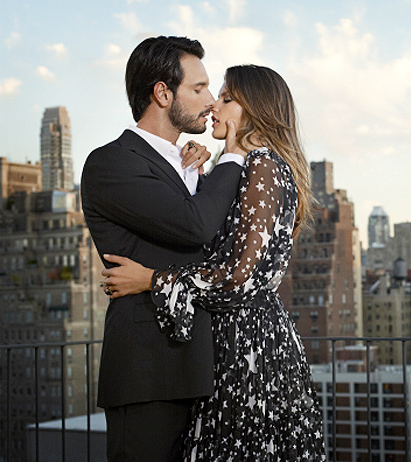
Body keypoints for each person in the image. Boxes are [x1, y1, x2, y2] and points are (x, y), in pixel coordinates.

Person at [101, 65, 326, 461]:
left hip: (250, 350)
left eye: (225, 98)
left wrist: (153, 280)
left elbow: (240, 276)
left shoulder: (262, 166)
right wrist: (197, 177)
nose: (213, 106)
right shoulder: (249, 167)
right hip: (233, 343)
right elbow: (212, 237)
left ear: (253, 110)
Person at [81, 36, 246, 461]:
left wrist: (202, 171)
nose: (210, 100)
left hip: (204, 368)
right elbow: (194, 226)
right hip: (149, 375)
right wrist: (233, 154)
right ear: (162, 92)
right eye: (199, 88)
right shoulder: (111, 164)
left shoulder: (189, 163)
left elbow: (217, 245)